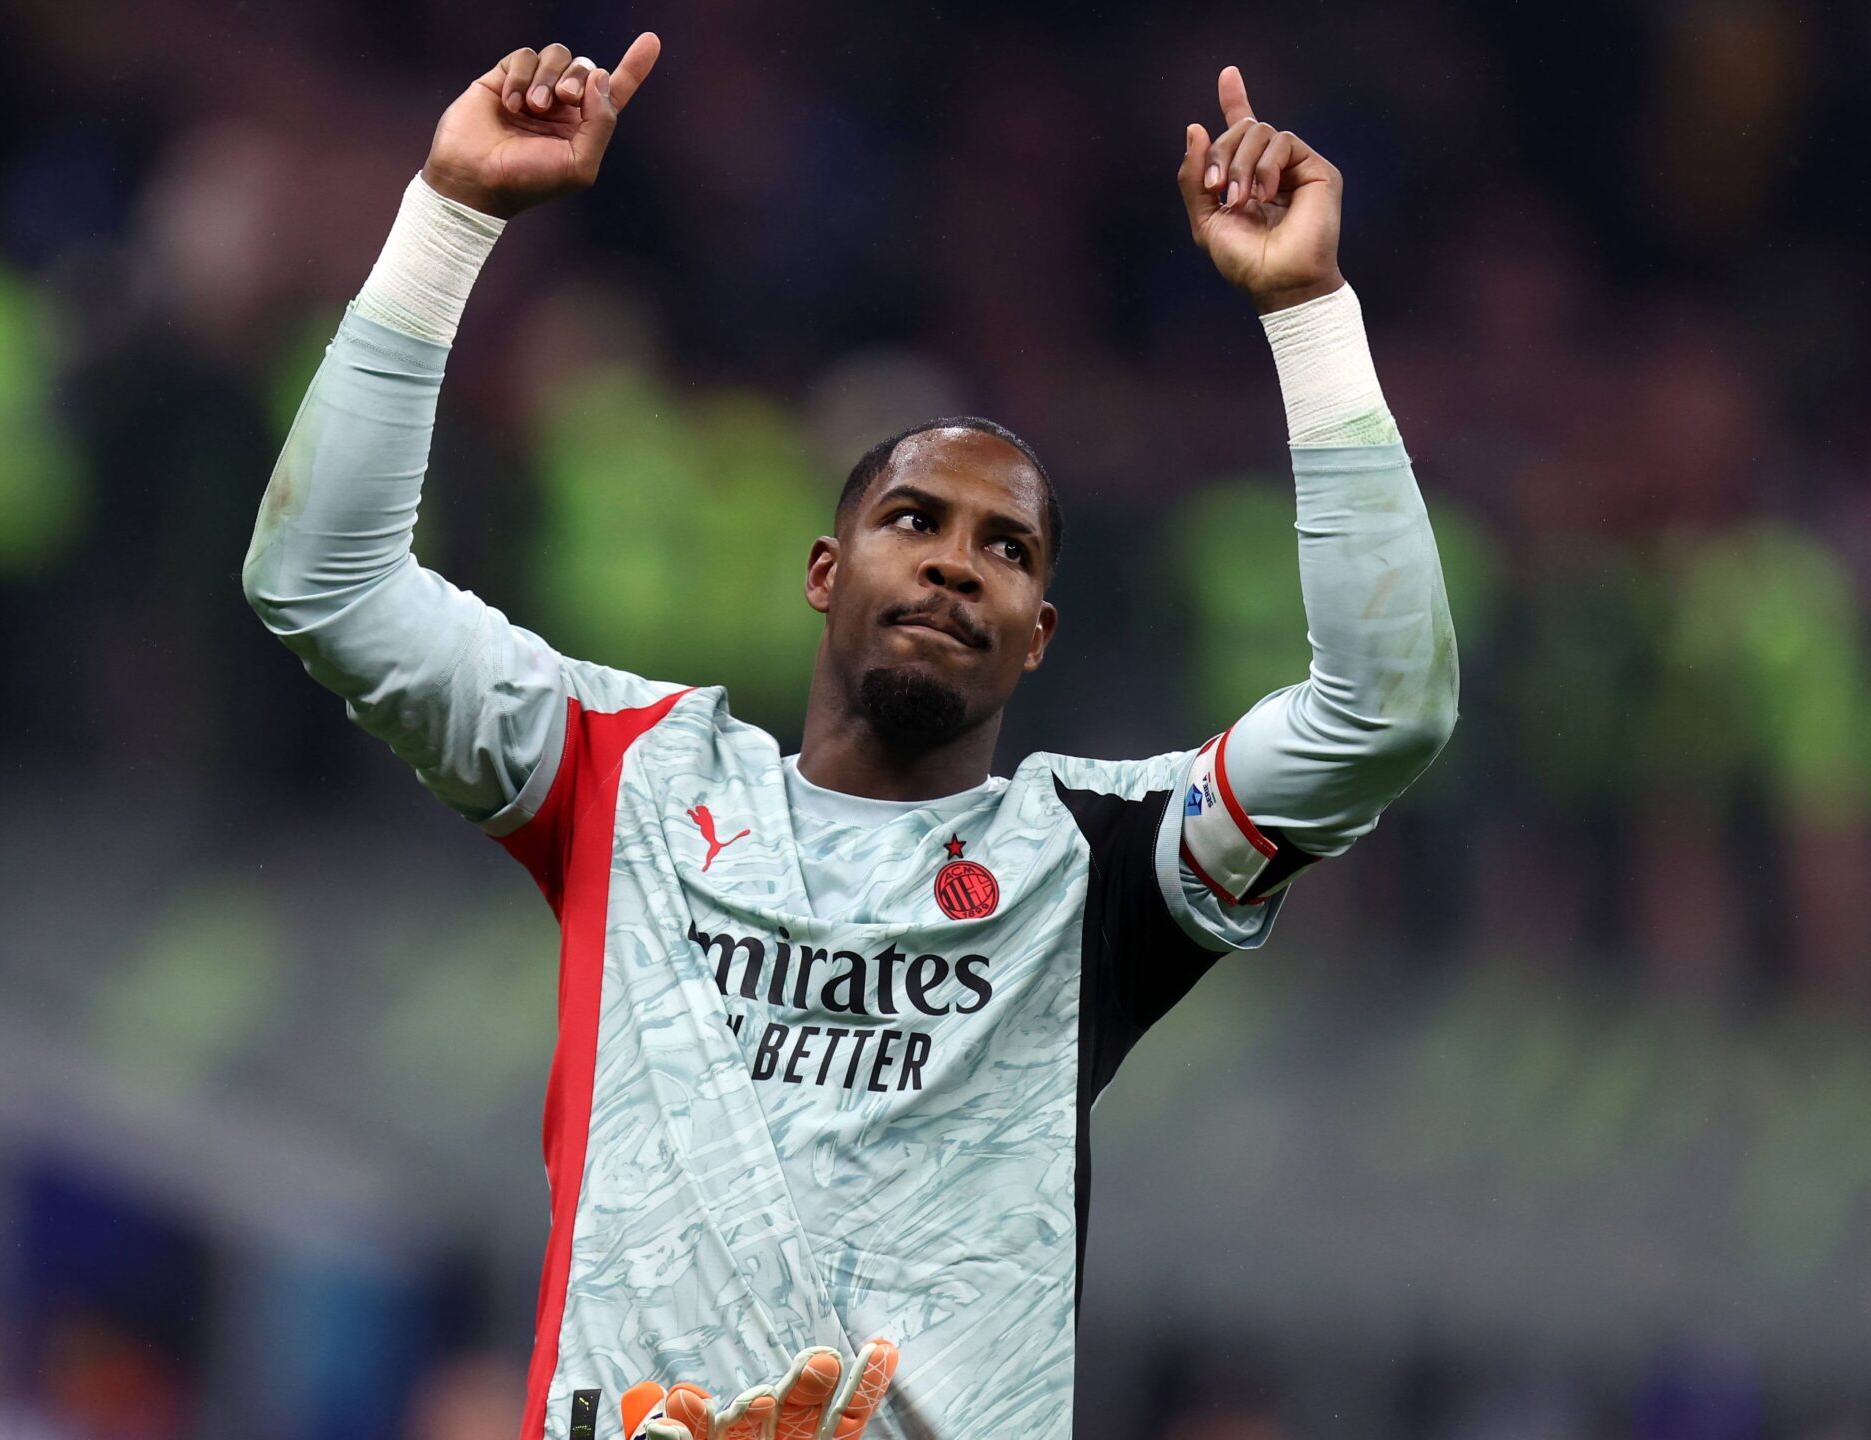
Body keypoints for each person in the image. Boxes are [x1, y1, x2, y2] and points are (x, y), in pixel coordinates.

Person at [242, 32, 1459, 1440]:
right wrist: (450, 214)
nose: (954, 563)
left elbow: (1386, 711)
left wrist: (1308, 311)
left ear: (1038, 634)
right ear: (826, 573)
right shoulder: (628, 776)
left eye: (1006, 548)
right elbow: (321, 581)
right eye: (914, 519)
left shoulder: (1097, 863)